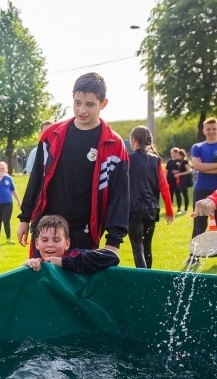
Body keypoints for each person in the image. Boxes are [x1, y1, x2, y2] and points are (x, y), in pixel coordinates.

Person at [17, 72, 129, 256]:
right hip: (46, 230)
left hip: (84, 232)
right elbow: (36, 178)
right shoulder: (51, 135)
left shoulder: (114, 145)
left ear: (103, 103)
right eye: (77, 103)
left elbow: (120, 195)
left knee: (76, 276)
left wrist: (113, 241)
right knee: (40, 275)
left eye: (89, 104)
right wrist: (25, 218)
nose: (81, 110)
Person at [127, 126, 174, 269]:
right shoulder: (156, 160)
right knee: (147, 246)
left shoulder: (128, 159)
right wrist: (169, 210)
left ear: (133, 140)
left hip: (135, 209)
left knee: (138, 247)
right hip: (152, 209)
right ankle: (149, 276)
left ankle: (143, 279)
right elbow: (164, 186)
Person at [23, 215, 120, 273]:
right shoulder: (37, 264)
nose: (50, 244)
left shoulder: (73, 255)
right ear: (37, 243)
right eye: (44, 240)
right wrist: (26, 266)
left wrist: (63, 262)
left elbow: (112, 256)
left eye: (56, 240)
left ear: (67, 243)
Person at [191, 117, 217, 239]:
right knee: (199, 225)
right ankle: (195, 251)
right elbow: (197, 166)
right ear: (203, 130)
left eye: (214, 129)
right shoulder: (197, 147)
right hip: (202, 188)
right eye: (208, 129)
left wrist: (205, 168)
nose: (211, 131)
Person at [0, 161, 21, 244]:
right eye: (0, 169)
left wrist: (18, 200)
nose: (2, 170)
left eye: (4, 168)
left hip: (8, 203)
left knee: (6, 220)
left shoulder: (8, 178)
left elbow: (13, 190)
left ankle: (8, 239)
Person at [176, 148, 194, 214]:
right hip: (182, 179)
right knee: (183, 194)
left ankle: (186, 209)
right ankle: (183, 209)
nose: (177, 156)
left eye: (178, 155)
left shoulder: (185, 162)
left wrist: (179, 174)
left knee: (185, 194)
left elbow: (189, 171)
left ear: (181, 155)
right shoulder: (181, 162)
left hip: (185, 180)